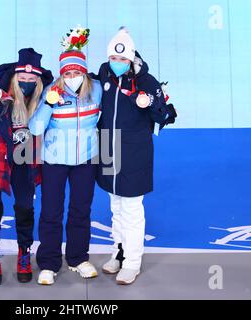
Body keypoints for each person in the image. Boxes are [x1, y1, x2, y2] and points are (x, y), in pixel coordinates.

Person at [95, 27, 177, 285]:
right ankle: (118, 252)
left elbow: (163, 116)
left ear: (131, 59)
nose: (117, 63)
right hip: (108, 145)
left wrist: (150, 103)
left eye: (122, 59)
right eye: (113, 58)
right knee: (115, 206)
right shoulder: (104, 73)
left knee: (131, 209)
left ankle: (132, 262)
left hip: (135, 151)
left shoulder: (147, 82)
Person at [0, 48, 53, 285]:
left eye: (31, 79)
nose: (26, 83)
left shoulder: (43, 100)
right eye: (22, 79)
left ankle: (24, 253)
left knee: (25, 208)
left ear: (38, 80)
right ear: (15, 77)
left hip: (24, 160)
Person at [28, 27, 103, 285]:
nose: (72, 77)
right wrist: (48, 104)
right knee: (51, 211)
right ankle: (48, 263)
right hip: (55, 161)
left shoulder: (97, 90)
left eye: (76, 72)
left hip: (85, 160)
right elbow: (35, 128)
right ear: (62, 74)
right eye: (67, 73)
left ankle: (78, 258)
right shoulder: (53, 91)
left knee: (81, 210)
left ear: (83, 71)